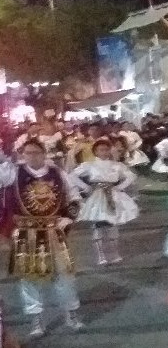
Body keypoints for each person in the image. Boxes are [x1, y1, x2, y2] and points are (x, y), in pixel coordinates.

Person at [0, 139, 86, 337]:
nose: (32, 156)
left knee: (65, 274)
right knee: (29, 277)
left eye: (36, 152)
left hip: (54, 231)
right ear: (22, 154)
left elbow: (74, 197)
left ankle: (71, 314)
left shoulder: (58, 173)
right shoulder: (13, 172)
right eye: (28, 152)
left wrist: (68, 217)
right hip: (25, 233)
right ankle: (36, 319)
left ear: (44, 153)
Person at [72, 137, 139, 266]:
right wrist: (85, 187)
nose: (103, 152)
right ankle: (100, 255)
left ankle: (114, 253)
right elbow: (72, 175)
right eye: (100, 150)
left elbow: (131, 176)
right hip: (97, 196)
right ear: (95, 152)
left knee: (113, 224)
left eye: (106, 149)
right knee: (98, 224)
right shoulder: (89, 165)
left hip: (113, 196)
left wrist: (119, 187)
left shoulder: (117, 165)